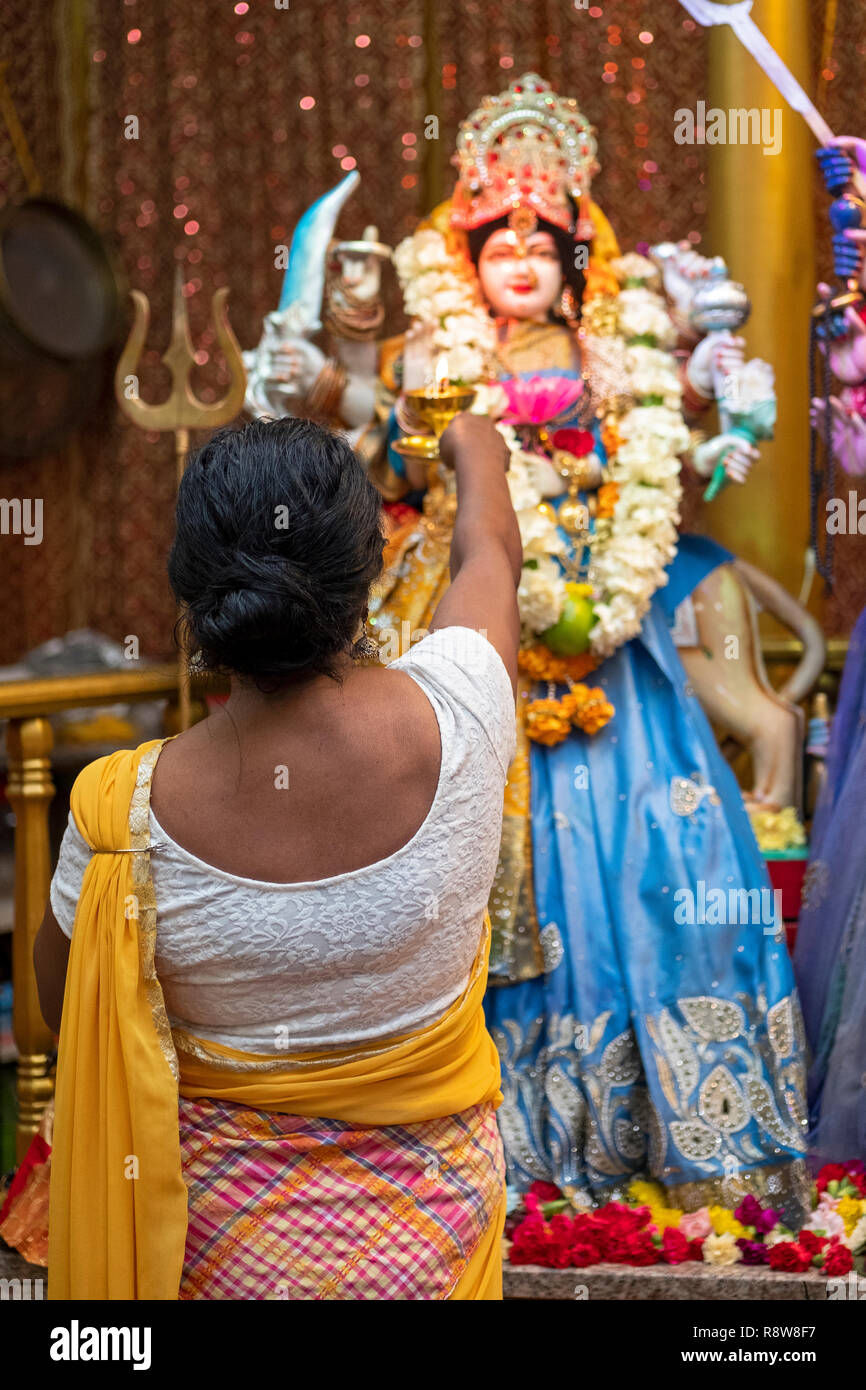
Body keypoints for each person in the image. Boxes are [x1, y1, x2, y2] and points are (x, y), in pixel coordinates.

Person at [32, 410, 522, 1300]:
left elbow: (70, 1010)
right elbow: (489, 559)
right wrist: (475, 450)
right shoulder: (466, 708)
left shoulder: (121, 811)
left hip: (215, 1244)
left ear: (191, 592)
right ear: (368, 575)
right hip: (435, 1230)